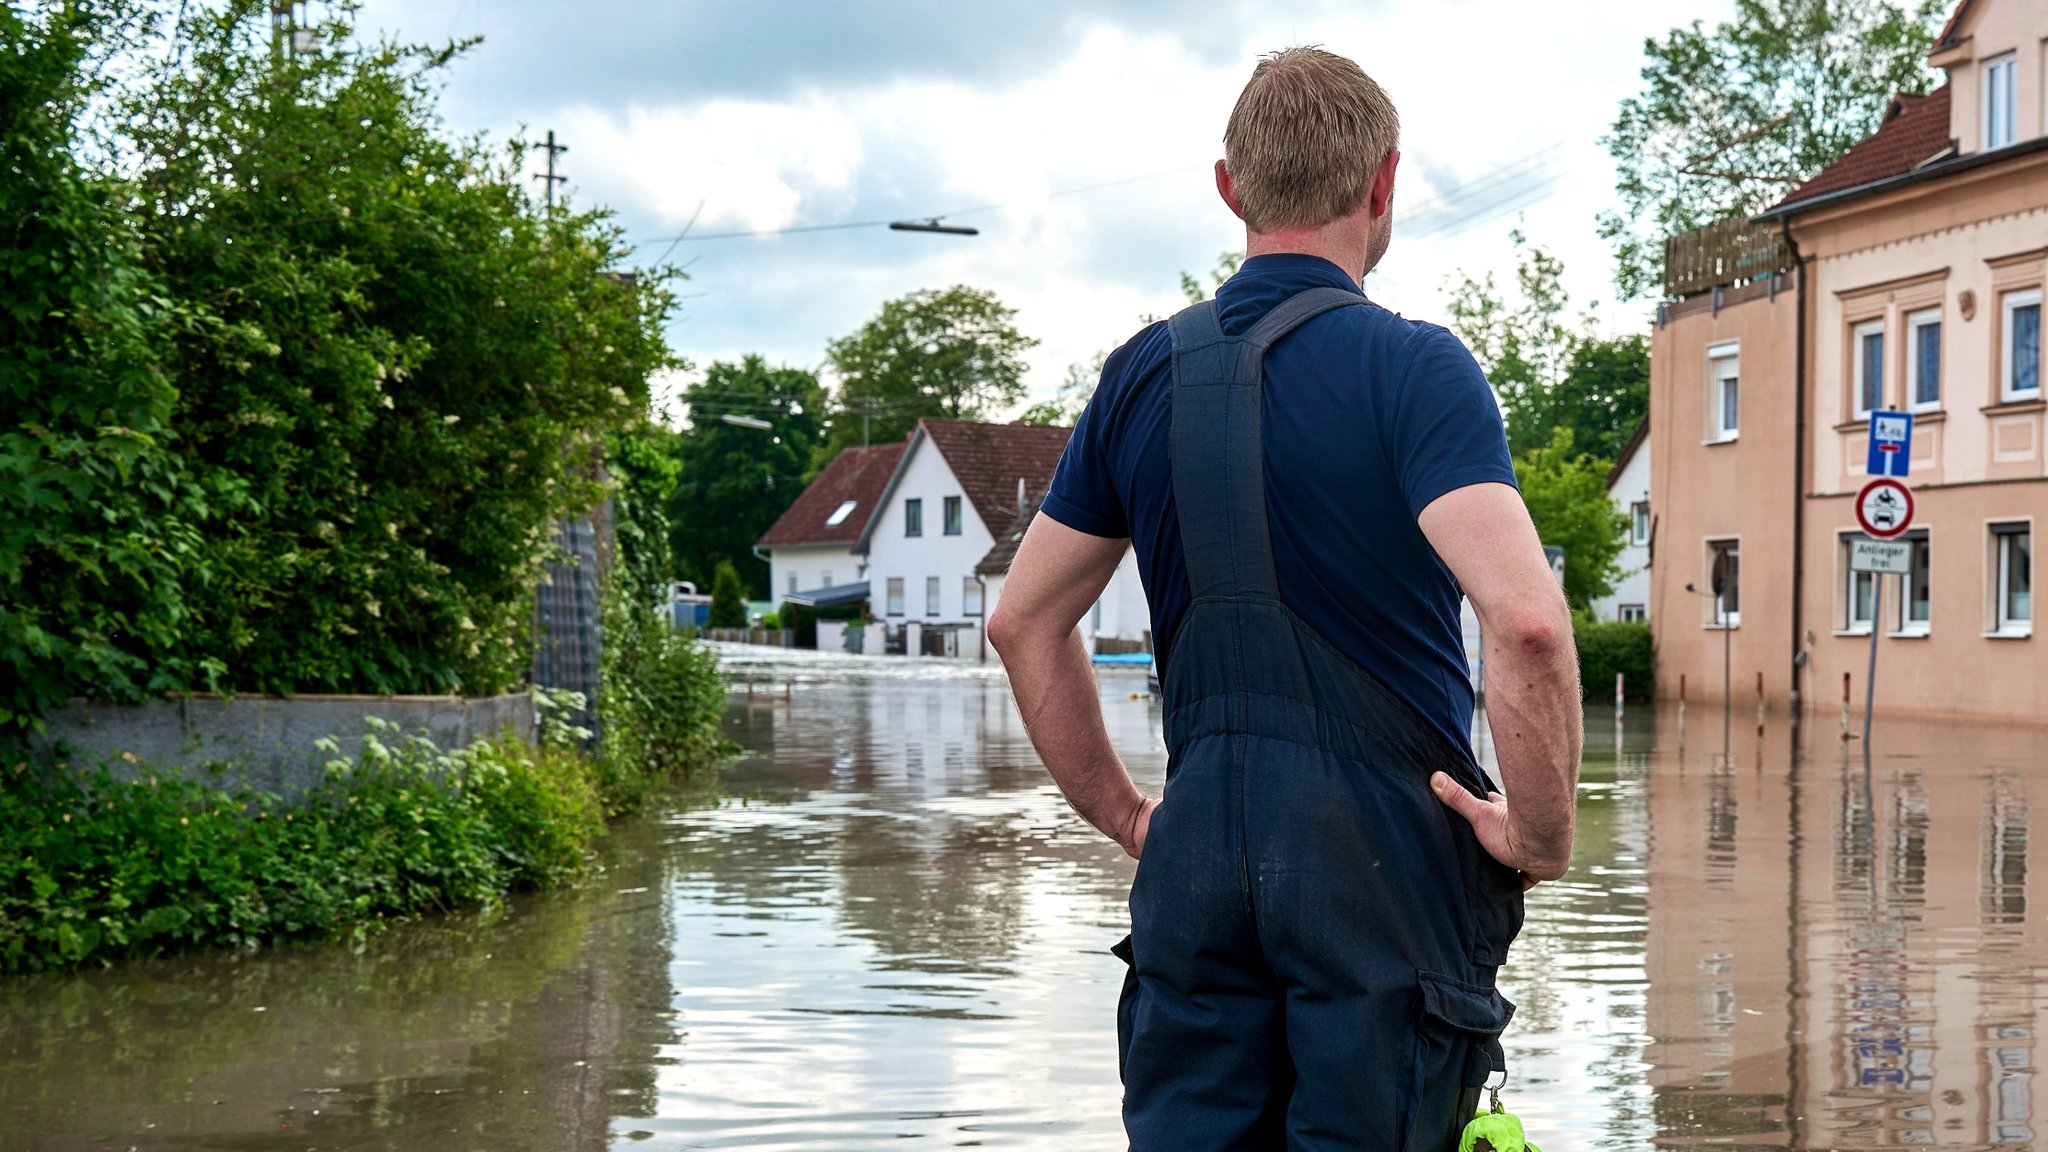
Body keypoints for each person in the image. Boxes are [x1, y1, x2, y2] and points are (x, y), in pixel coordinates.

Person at [986, 46, 1582, 1151]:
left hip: (1197, 853)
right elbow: (1529, 623)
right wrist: (1538, 836)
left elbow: (1021, 621)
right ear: (1381, 184)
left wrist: (1127, 818)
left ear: (1229, 188)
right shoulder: (1415, 370)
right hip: (1381, 872)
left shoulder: (1137, 375)